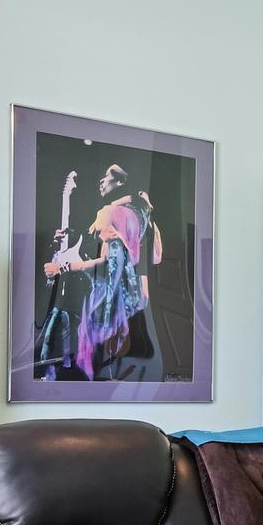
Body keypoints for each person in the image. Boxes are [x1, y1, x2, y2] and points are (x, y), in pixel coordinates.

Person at [44, 162, 166, 381]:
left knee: (91, 368)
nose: (101, 179)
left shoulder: (108, 213)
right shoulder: (147, 218)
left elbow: (105, 262)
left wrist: (63, 266)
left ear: (121, 182)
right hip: (138, 303)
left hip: (106, 302)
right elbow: (155, 258)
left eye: (107, 175)